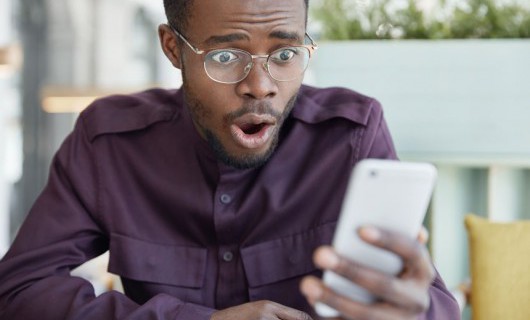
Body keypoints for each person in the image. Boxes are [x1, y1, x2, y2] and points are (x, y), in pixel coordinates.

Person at [0, 0, 460, 319]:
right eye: (225, 55)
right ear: (173, 48)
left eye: (285, 53)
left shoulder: (352, 137)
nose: (260, 85)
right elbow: (19, 292)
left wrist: (412, 309)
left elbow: (429, 304)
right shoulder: (109, 144)